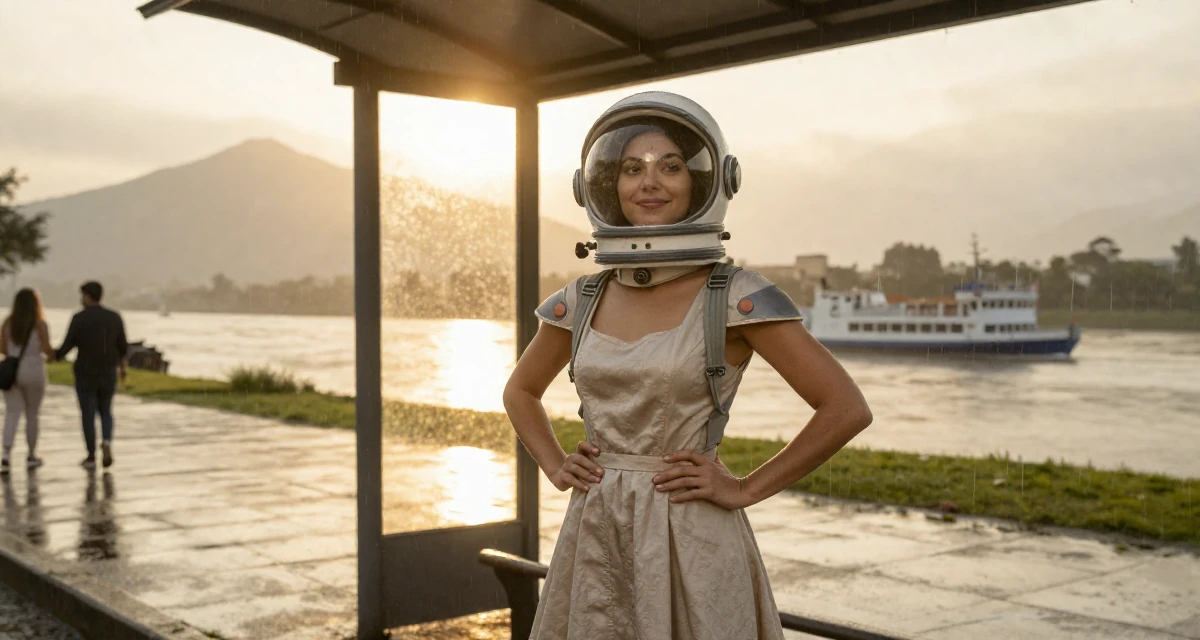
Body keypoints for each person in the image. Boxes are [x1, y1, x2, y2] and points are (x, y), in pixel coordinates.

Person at [504, 92, 873, 639]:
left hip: (691, 529)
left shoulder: (734, 296)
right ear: (602, 185)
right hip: (596, 527)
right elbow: (520, 392)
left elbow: (845, 409)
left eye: (669, 166)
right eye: (632, 168)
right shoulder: (581, 298)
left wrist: (745, 487)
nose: (649, 182)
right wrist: (556, 464)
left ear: (708, 180)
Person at [56, 281, 128, 470]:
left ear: (88, 296)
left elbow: (68, 344)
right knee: (106, 411)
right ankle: (106, 440)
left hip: (85, 373)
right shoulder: (114, 317)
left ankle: (90, 455)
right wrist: (123, 369)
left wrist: (54, 355)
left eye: (82, 295)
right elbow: (122, 347)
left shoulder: (79, 318)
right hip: (108, 371)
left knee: (87, 414)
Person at [0, 288, 57, 475]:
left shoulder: (8, 323)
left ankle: (6, 455)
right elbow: (47, 350)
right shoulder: (39, 324)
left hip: (12, 371)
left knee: (12, 413)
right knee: (32, 414)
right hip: (33, 370)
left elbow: (3, 349)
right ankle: (31, 454)